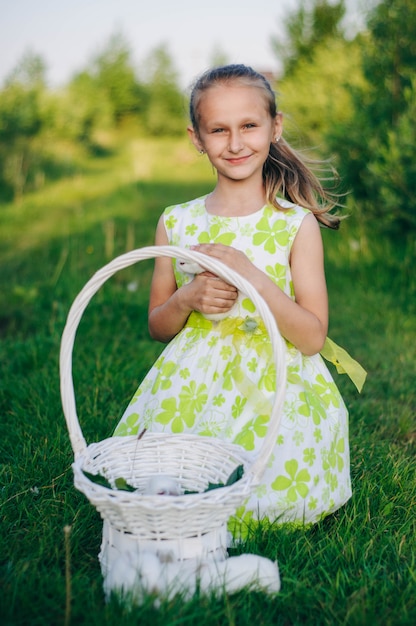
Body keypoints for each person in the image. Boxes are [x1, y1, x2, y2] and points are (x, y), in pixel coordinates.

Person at [114, 64, 365, 528]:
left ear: (275, 127)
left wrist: (252, 276)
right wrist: (186, 300)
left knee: (270, 482)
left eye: (249, 125)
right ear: (197, 138)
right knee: (170, 473)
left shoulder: (295, 224)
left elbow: (311, 338)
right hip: (193, 381)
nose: (235, 143)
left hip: (277, 379)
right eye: (218, 130)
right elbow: (157, 325)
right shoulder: (178, 221)